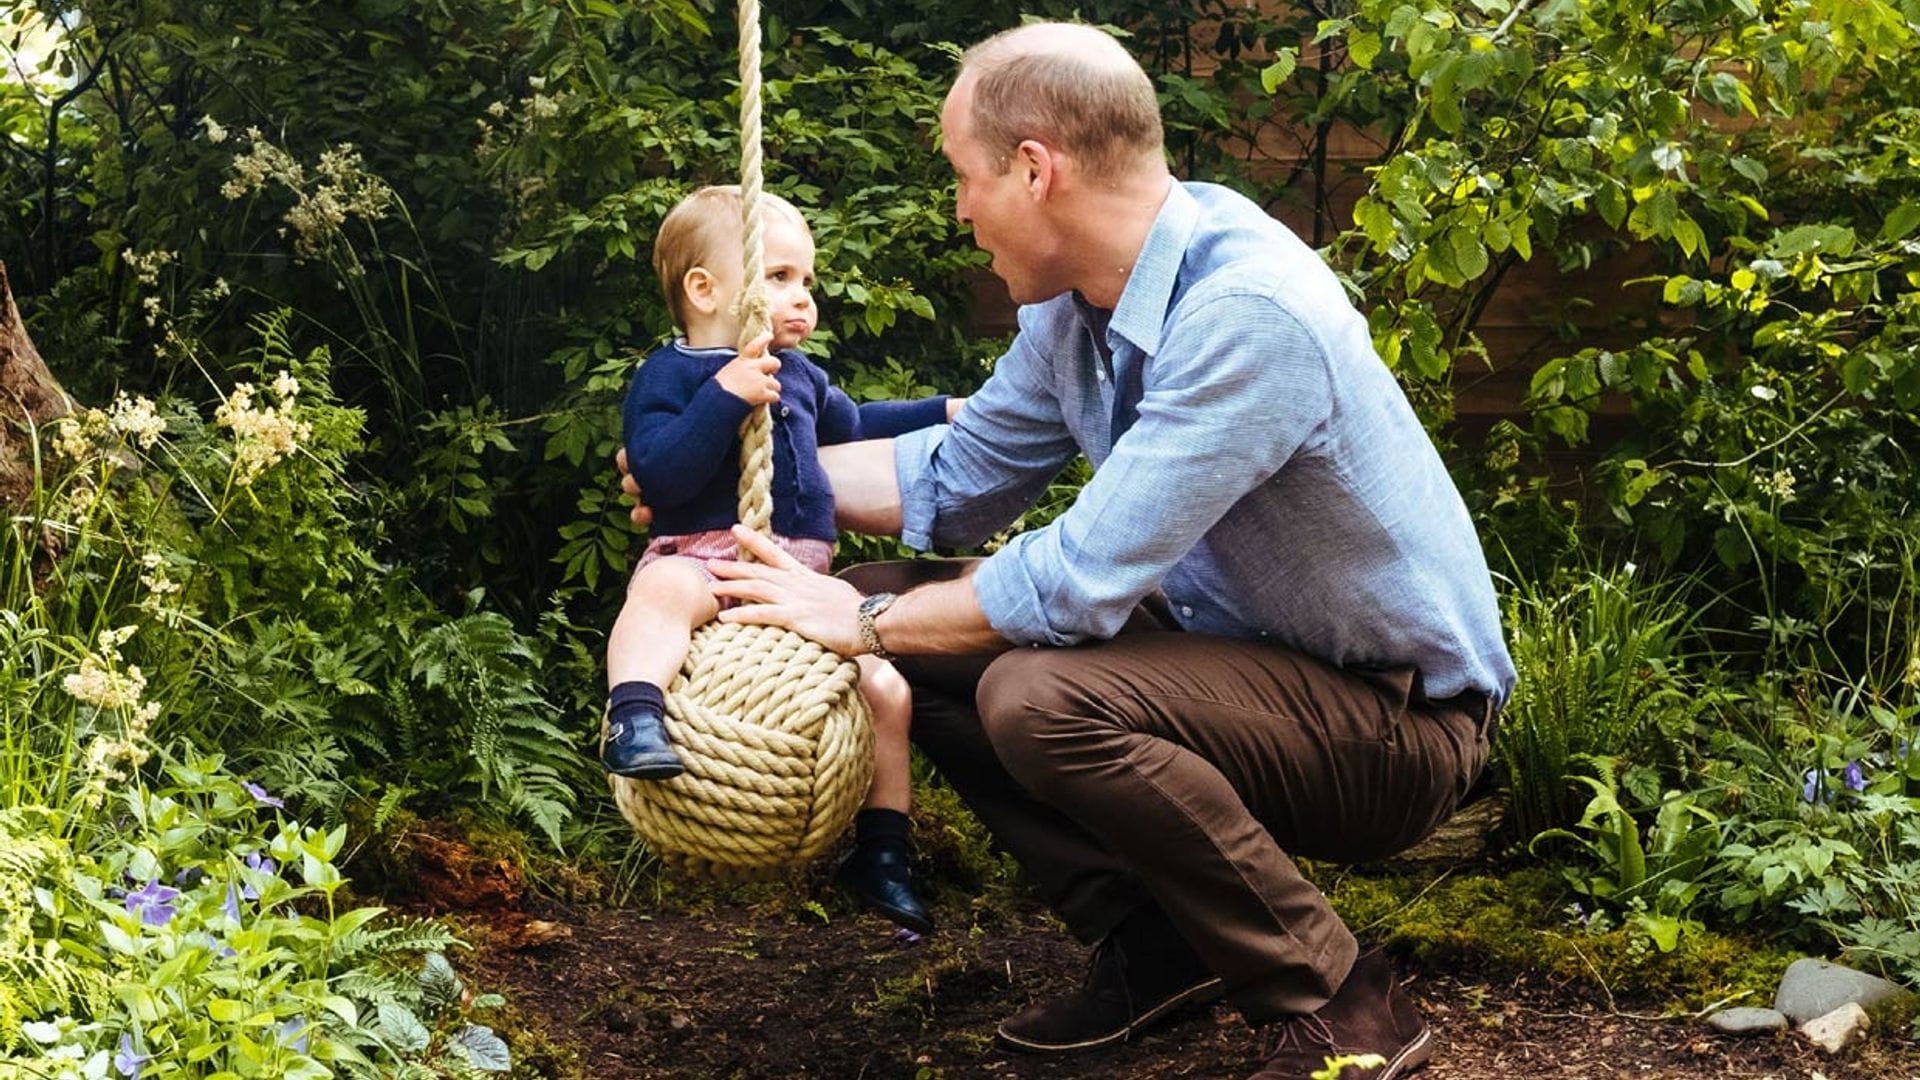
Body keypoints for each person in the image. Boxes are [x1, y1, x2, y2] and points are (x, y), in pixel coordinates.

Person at [619, 23, 1515, 1079]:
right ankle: (1156, 942)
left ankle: (1337, 1001)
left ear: (1034, 169)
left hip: (1391, 724)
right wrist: (717, 484)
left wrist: (858, 621)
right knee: (893, 617)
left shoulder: (1248, 313)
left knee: (1033, 694)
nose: (958, 210)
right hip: (1234, 664)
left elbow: (1077, 580)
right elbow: (953, 483)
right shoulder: (1079, 308)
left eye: (964, 178)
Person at [604, 184, 962, 934]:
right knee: (662, 590)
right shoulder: (669, 377)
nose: (803, 298)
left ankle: (885, 853)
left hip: (800, 582)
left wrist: (943, 410)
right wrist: (725, 396)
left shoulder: (797, 373)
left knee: (886, 690)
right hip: (707, 559)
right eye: (779, 277)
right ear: (704, 290)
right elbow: (661, 472)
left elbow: (857, 424)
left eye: (807, 280)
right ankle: (634, 716)